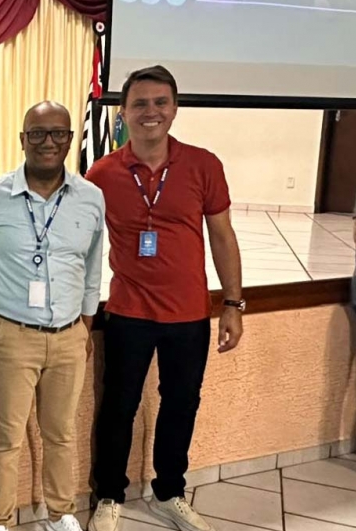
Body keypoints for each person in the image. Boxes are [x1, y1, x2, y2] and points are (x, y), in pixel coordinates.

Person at [85, 65, 243, 531]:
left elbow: (222, 237)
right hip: (129, 311)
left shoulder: (203, 164)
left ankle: (169, 491)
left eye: (160, 102)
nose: (150, 112)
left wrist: (232, 303)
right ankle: (109, 495)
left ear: (174, 109)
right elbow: (84, 243)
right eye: (140, 103)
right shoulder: (103, 173)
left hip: (189, 314)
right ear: (123, 111)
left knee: (181, 402)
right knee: (119, 404)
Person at [0, 101, 105, 531]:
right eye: (38, 133)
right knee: (6, 438)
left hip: (67, 336)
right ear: (22, 139)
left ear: (70, 139)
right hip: (11, 335)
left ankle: (60, 515)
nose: (49, 142)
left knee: (61, 434)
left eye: (59, 133)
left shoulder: (90, 198)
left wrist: (84, 328)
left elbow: (93, 268)